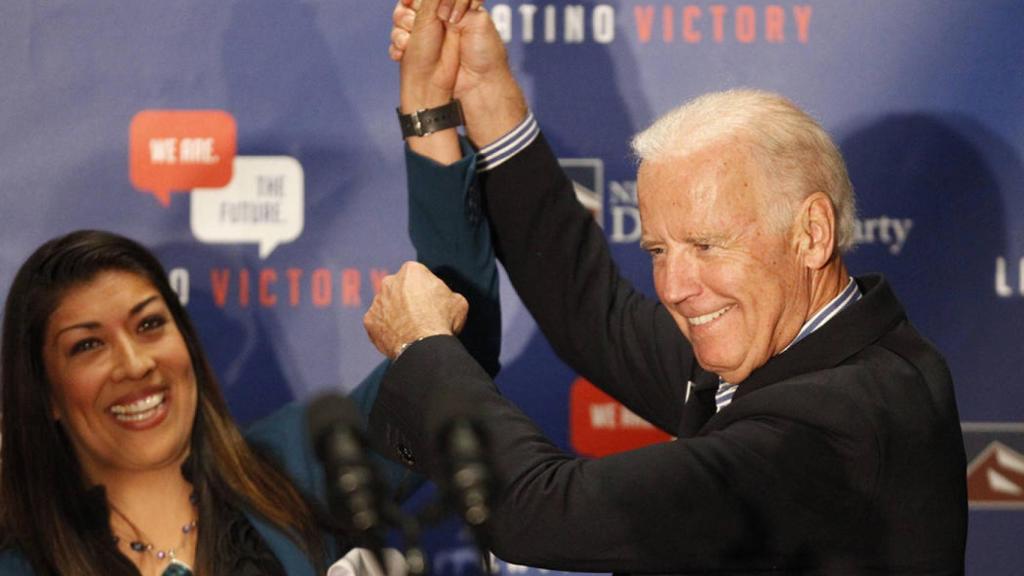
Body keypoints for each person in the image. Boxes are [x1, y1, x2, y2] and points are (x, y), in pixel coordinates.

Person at [362, 0, 968, 573]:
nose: (675, 287)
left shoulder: (831, 426)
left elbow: (541, 511)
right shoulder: (814, 347)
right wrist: (483, 94)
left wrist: (423, 349)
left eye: (706, 245)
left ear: (810, 233)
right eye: (657, 249)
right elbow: (592, 312)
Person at [0, 114, 498, 576]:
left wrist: (429, 111)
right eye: (88, 345)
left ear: (187, 343)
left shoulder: (298, 462)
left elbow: (451, 337)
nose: (135, 364)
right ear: (45, 394)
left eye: (149, 325)